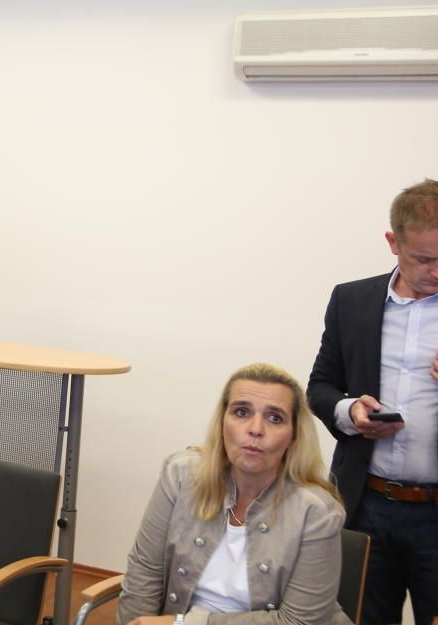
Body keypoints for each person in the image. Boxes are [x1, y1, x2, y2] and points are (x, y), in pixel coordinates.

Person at [118, 363, 350, 625]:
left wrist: (186, 623)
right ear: (221, 422)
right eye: (241, 412)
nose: (256, 429)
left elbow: (298, 622)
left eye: (275, 418)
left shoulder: (317, 511)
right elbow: (145, 573)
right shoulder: (180, 475)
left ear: (294, 436)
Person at [308, 178, 438, 625]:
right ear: (393, 243)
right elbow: (321, 386)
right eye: (424, 259)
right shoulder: (351, 301)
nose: (437, 271)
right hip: (366, 505)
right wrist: (350, 412)